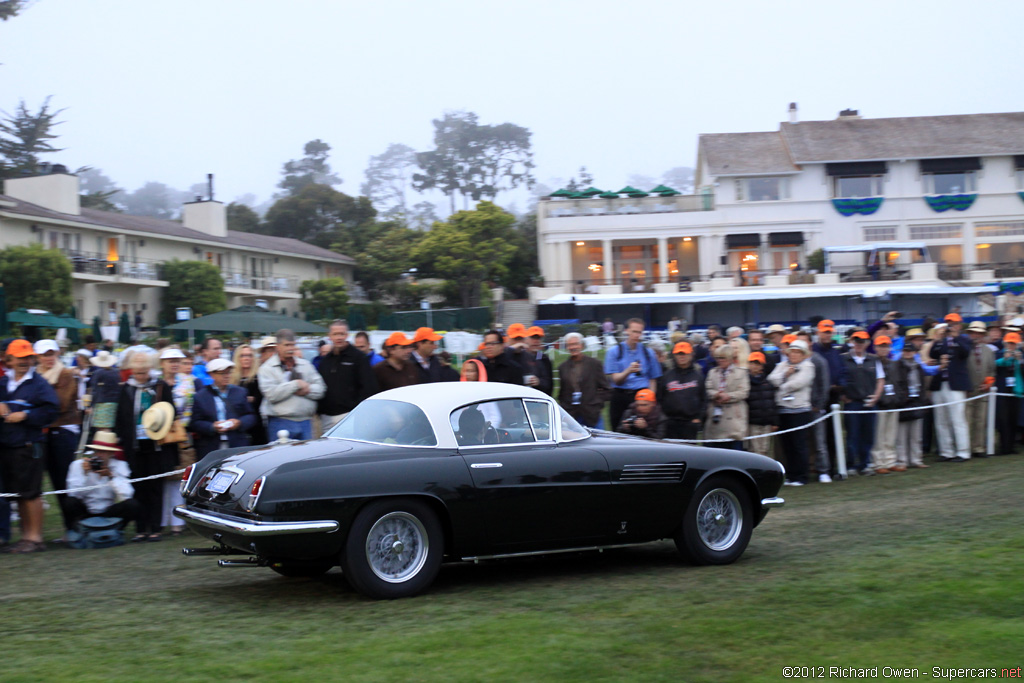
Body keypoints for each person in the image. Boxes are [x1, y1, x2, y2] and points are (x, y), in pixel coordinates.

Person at [0, 339, 59, 553]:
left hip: (29, 445)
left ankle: (35, 538)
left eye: (28, 357)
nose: (25, 362)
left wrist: (25, 415)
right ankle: (26, 537)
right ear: (9, 360)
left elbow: (51, 410)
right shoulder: (4, 383)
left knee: (32, 492)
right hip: (9, 446)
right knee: (18, 493)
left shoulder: (38, 383)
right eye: (20, 358)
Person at [114, 352, 175, 542]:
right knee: (138, 486)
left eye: (143, 372)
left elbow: (170, 410)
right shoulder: (126, 389)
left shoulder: (160, 387)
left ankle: (156, 527)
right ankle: (141, 528)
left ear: (149, 369)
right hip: (134, 446)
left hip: (156, 444)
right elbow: (121, 417)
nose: (140, 376)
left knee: (155, 487)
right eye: (137, 372)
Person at [33, 339, 81, 537]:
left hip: (62, 432)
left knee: (64, 482)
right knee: (50, 481)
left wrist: (34, 404)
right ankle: (69, 527)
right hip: (45, 432)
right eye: (45, 354)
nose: (49, 358)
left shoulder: (65, 374)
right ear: (38, 357)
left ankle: (74, 527)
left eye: (51, 354)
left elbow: (59, 405)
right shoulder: (36, 376)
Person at [258, 329, 326, 441]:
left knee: (306, 457)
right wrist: (296, 384)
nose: (290, 348)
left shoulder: (305, 365)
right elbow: (271, 394)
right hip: (280, 422)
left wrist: (307, 389)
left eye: (293, 345)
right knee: (282, 457)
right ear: (278, 346)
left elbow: (321, 389)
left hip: (306, 421)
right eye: (287, 345)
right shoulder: (266, 369)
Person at [64, 430, 138, 529]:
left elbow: (127, 495)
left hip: (108, 511)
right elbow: (73, 495)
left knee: (132, 505)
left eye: (103, 451)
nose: (98, 455)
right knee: (69, 502)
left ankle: (116, 529)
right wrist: (85, 474)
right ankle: (78, 530)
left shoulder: (119, 466)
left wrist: (111, 476)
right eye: (97, 451)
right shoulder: (78, 465)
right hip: (86, 511)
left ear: (111, 453)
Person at [157, 347, 196, 536]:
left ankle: (177, 522)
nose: (174, 364)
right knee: (162, 478)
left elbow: (189, 409)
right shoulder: (156, 383)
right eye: (169, 360)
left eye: (176, 360)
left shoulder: (187, 383)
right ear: (162, 363)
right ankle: (163, 520)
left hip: (180, 435)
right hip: (159, 436)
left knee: (178, 478)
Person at [768, 339, 816, 485]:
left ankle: (802, 476)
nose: (794, 355)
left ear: (803, 354)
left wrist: (781, 387)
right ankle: (792, 475)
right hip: (783, 410)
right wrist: (785, 375)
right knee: (787, 445)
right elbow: (771, 378)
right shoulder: (783, 365)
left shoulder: (808, 366)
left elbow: (800, 383)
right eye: (792, 352)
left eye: (797, 352)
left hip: (799, 410)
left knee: (799, 444)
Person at [191, 358, 257, 459]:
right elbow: (195, 422)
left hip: (237, 443)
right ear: (211, 374)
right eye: (222, 373)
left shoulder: (240, 392)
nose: (226, 376)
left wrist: (239, 423)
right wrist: (212, 426)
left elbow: (251, 416)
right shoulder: (201, 396)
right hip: (211, 445)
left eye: (228, 373)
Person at [318, 320, 378, 431]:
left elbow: (368, 387)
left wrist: (356, 411)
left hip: (349, 415)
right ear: (329, 336)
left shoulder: (358, 358)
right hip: (327, 418)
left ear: (347, 335)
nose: (339, 337)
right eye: (335, 334)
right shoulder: (325, 361)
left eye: (342, 334)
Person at [928, 314, 972, 461]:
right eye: (948, 323)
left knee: (958, 419)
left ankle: (963, 452)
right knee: (941, 419)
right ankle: (947, 451)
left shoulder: (964, 339)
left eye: (954, 323)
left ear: (959, 325)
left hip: (956, 384)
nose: (951, 326)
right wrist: (938, 339)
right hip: (940, 383)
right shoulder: (942, 341)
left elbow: (966, 353)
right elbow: (932, 353)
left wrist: (956, 337)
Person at [840, 330, 885, 475]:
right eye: (856, 341)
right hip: (852, 402)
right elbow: (837, 378)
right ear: (852, 342)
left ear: (867, 343)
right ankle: (851, 465)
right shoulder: (843, 359)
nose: (859, 344)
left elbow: (880, 380)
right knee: (852, 434)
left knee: (868, 435)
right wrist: (842, 395)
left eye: (862, 341)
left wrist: (876, 397)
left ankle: (865, 464)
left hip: (869, 402)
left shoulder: (874, 359)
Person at [604, 318, 662, 430]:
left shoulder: (648, 352)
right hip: (620, 395)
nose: (637, 335)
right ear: (626, 331)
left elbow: (653, 378)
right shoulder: (614, 352)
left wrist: (650, 398)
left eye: (640, 332)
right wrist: (628, 371)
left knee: (641, 430)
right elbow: (616, 379)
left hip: (640, 396)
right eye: (634, 331)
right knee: (618, 430)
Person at [557, 332, 610, 429]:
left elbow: (606, 389)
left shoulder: (594, 364)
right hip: (572, 416)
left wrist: (596, 403)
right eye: (570, 345)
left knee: (598, 442)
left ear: (581, 345)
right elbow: (562, 393)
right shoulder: (562, 367)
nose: (573, 347)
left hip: (592, 414)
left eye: (575, 344)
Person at [870, 336, 906, 474]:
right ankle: (878, 463)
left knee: (891, 436)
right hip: (880, 405)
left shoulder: (894, 364)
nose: (884, 349)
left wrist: (898, 399)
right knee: (879, 437)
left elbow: (899, 383)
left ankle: (890, 461)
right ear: (876, 347)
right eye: (881, 346)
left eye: (886, 346)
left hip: (893, 403)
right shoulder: (872, 362)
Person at [704, 344, 749, 450]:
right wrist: (716, 394)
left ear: (730, 359)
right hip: (715, 417)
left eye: (722, 358)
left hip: (734, 419)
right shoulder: (712, 372)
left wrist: (728, 396)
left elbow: (744, 392)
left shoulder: (741, 373)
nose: (719, 360)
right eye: (718, 358)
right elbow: (707, 389)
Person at [657, 341, 706, 440]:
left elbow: (704, 399)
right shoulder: (667, 375)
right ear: (674, 355)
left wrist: (699, 418)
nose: (682, 356)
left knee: (689, 454)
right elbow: (659, 398)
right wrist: (663, 418)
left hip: (690, 422)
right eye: (679, 354)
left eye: (685, 354)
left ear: (691, 355)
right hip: (670, 422)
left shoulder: (698, 376)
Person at [896, 343, 930, 469]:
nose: (908, 353)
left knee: (916, 434)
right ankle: (902, 461)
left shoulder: (918, 367)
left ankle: (916, 459)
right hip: (903, 402)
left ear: (914, 352)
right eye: (906, 350)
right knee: (901, 435)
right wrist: (901, 398)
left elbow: (922, 385)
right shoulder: (897, 365)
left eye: (910, 351)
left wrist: (923, 401)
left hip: (916, 401)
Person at [964, 320, 995, 458]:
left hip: (983, 390)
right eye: (973, 333)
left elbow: (992, 371)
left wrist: (988, 383)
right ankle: (967, 448)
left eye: (979, 333)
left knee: (981, 420)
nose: (976, 336)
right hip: (967, 390)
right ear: (969, 334)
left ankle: (979, 447)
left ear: (983, 335)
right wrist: (965, 386)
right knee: (967, 419)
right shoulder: (964, 349)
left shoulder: (989, 351)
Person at [231, 343, 266, 445]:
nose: (246, 358)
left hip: (257, 425)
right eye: (242, 355)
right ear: (237, 358)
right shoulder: (232, 379)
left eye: (249, 355)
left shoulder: (259, 377)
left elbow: (258, 400)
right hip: (236, 424)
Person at [994, 332, 1022, 455]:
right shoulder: (999, 354)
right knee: (1003, 420)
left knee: (1013, 418)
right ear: (1005, 343)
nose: (1011, 346)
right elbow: (995, 365)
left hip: (1016, 390)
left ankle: (1011, 447)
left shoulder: (1020, 356)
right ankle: (1004, 447)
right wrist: (1005, 359)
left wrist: (1020, 360)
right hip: (1002, 391)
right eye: (1009, 343)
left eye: (1013, 343)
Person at [745, 351, 777, 457]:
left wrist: (774, 422)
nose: (755, 366)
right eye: (753, 363)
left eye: (758, 363)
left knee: (765, 449)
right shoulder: (745, 382)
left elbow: (773, 403)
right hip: (752, 423)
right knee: (754, 450)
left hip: (766, 423)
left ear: (762, 366)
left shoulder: (768, 383)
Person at [514, 326, 554, 395]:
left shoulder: (544, 359)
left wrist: (539, 382)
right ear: (526, 340)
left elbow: (549, 384)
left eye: (538, 338)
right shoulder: (519, 356)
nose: (536, 341)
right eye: (533, 337)